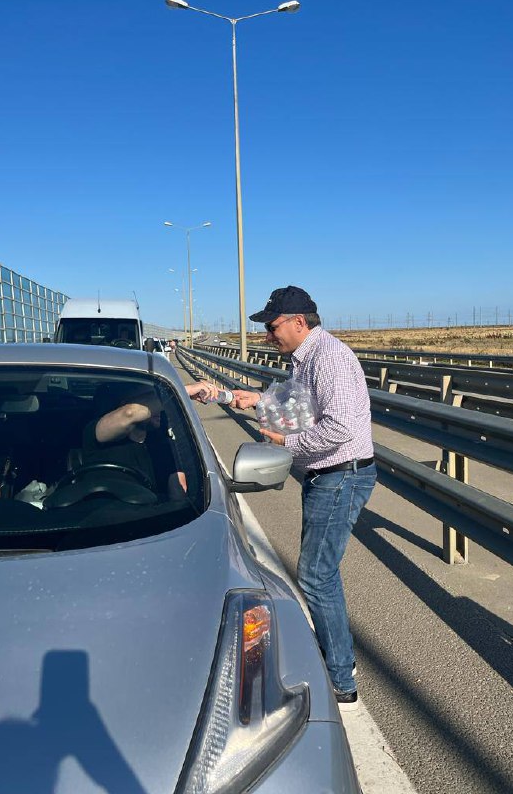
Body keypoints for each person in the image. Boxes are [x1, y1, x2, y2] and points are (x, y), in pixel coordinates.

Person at [232, 286, 375, 711]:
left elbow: (340, 428)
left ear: (299, 321)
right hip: (328, 475)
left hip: (340, 476)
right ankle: (338, 662)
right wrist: (258, 400)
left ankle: (340, 680)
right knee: (319, 573)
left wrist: (287, 442)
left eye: (272, 326)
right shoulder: (307, 359)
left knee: (316, 575)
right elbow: (302, 406)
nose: (267, 335)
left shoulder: (327, 357)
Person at [82, 380, 219, 500]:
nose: (159, 408)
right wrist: (182, 392)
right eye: (151, 402)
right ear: (124, 404)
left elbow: (177, 492)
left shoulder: (162, 444)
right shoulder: (96, 433)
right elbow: (129, 413)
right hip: (98, 518)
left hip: (150, 518)